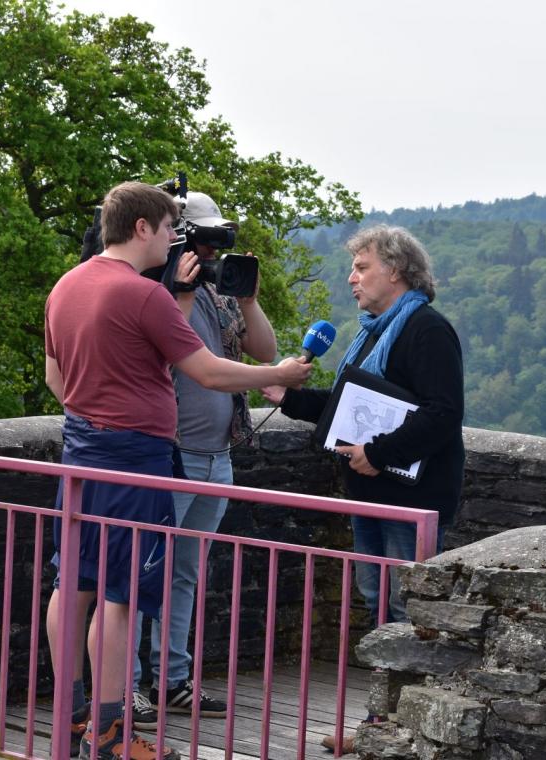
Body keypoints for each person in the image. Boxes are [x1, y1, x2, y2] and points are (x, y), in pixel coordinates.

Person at [43, 181, 312, 760]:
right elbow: (210, 373)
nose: (174, 240)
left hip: (81, 451)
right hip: (136, 460)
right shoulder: (144, 296)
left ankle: (73, 720)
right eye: (169, 228)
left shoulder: (67, 285)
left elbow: (56, 381)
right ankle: (112, 736)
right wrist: (284, 377)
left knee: (74, 585)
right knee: (122, 596)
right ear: (142, 227)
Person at [262, 224, 464, 751]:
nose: (352, 278)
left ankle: (404, 729)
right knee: (379, 606)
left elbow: (443, 414)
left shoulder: (426, 329)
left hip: (410, 500)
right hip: (371, 493)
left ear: (395, 271)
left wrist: (378, 454)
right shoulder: (376, 330)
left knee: (407, 611)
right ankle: (381, 725)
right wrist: (289, 398)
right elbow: (353, 406)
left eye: (362, 267)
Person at [127, 191, 276, 727]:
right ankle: (128, 686)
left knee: (184, 575)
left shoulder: (220, 293)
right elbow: (167, 361)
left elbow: (264, 350)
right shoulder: (150, 292)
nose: (212, 250)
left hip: (216, 456)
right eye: (202, 238)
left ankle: (171, 681)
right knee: (141, 574)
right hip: (170, 455)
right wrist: (181, 291)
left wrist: (251, 299)